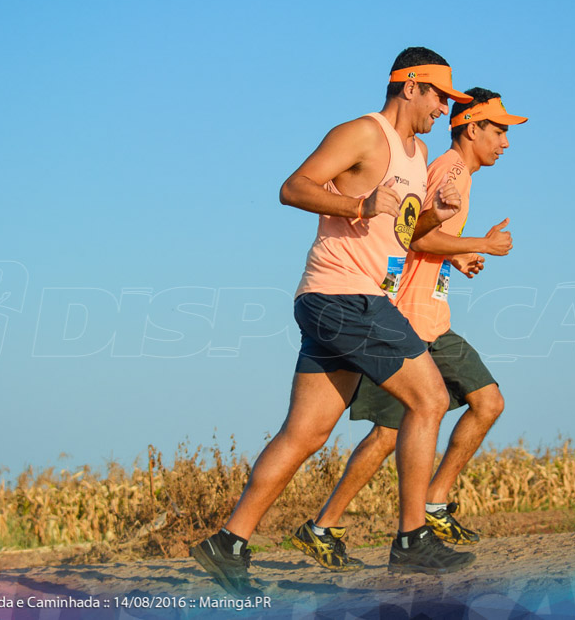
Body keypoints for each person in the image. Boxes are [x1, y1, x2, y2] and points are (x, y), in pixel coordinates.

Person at [190, 48, 477, 594]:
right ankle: (413, 539)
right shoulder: (363, 133)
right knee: (431, 399)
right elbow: (294, 187)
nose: (445, 108)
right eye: (441, 95)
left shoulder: (415, 156)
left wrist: (439, 217)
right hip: (344, 296)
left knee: (306, 432)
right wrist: (360, 207)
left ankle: (227, 544)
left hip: (345, 300)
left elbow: (402, 231)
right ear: (410, 85)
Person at [290, 88, 527, 570]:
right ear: (473, 127)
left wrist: (456, 254)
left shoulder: (452, 172)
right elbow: (410, 231)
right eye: (499, 129)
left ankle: (412, 512)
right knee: (389, 431)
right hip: (409, 320)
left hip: (425, 319)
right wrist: (477, 242)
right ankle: (357, 526)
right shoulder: (447, 170)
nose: (505, 141)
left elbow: (416, 236)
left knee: (469, 406)